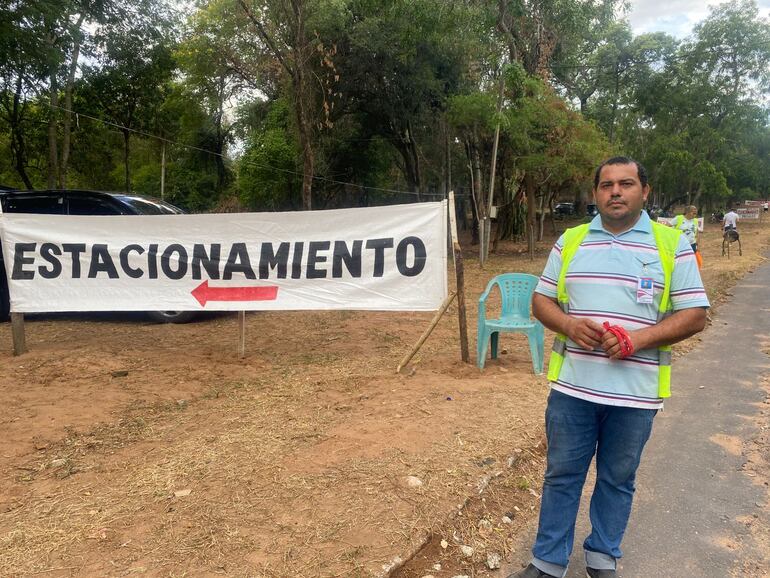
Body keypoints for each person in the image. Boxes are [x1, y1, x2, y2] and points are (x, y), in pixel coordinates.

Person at [509, 157, 709, 578]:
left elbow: (694, 315)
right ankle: (547, 562)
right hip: (572, 390)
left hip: (636, 393)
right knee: (561, 476)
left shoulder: (672, 245)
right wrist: (566, 323)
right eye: (606, 185)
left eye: (626, 184)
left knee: (618, 479)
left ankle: (602, 556)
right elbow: (541, 300)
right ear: (595, 193)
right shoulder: (571, 241)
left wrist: (639, 339)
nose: (615, 192)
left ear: (645, 191)